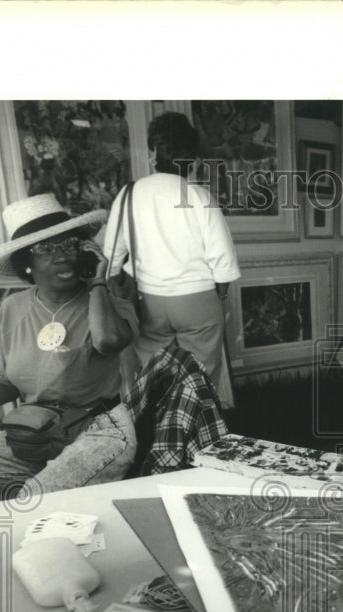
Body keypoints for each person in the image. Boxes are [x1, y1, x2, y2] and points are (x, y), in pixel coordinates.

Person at [0, 194, 139, 512]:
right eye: (45, 249)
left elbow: (109, 341)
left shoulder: (108, 304)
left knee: (29, 503)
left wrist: (97, 282)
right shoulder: (13, 307)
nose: (61, 256)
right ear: (26, 261)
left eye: (68, 245)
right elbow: (3, 384)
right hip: (35, 435)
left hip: (100, 432)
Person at [103, 112, 240, 406]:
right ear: (193, 158)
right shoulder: (200, 196)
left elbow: (111, 259)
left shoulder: (129, 194)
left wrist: (120, 285)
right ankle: (197, 434)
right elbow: (223, 261)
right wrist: (220, 296)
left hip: (148, 299)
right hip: (198, 300)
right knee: (201, 377)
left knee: (155, 374)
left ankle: (158, 435)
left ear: (154, 152)